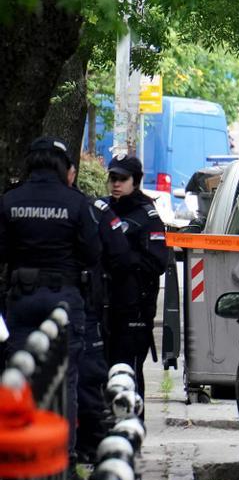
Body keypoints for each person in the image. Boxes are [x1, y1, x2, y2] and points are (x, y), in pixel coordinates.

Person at [0, 137, 101, 451]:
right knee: (66, 379)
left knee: (20, 375)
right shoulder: (75, 202)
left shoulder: (10, 200)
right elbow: (93, 253)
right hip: (64, 299)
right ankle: (63, 460)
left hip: (21, 297)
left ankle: (22, 455)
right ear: (63, 166)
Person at [74, 158, 131, 463]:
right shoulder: (90, 208)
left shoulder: (13, 201)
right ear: (71, 174)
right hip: (82, 305)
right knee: (87, 377)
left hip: (24, 303)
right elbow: (119, 253)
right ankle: (90, 445)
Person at [104, 155, 170, 402]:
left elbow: (157, 262)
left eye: (123, 179)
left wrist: (123, 259)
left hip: (134, 308)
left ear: (136, 181)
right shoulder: (102, 209)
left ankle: (131, 426)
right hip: (103, 305)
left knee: (128, 371)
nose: (116, 184)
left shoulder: (147, 215)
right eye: (113, 178)